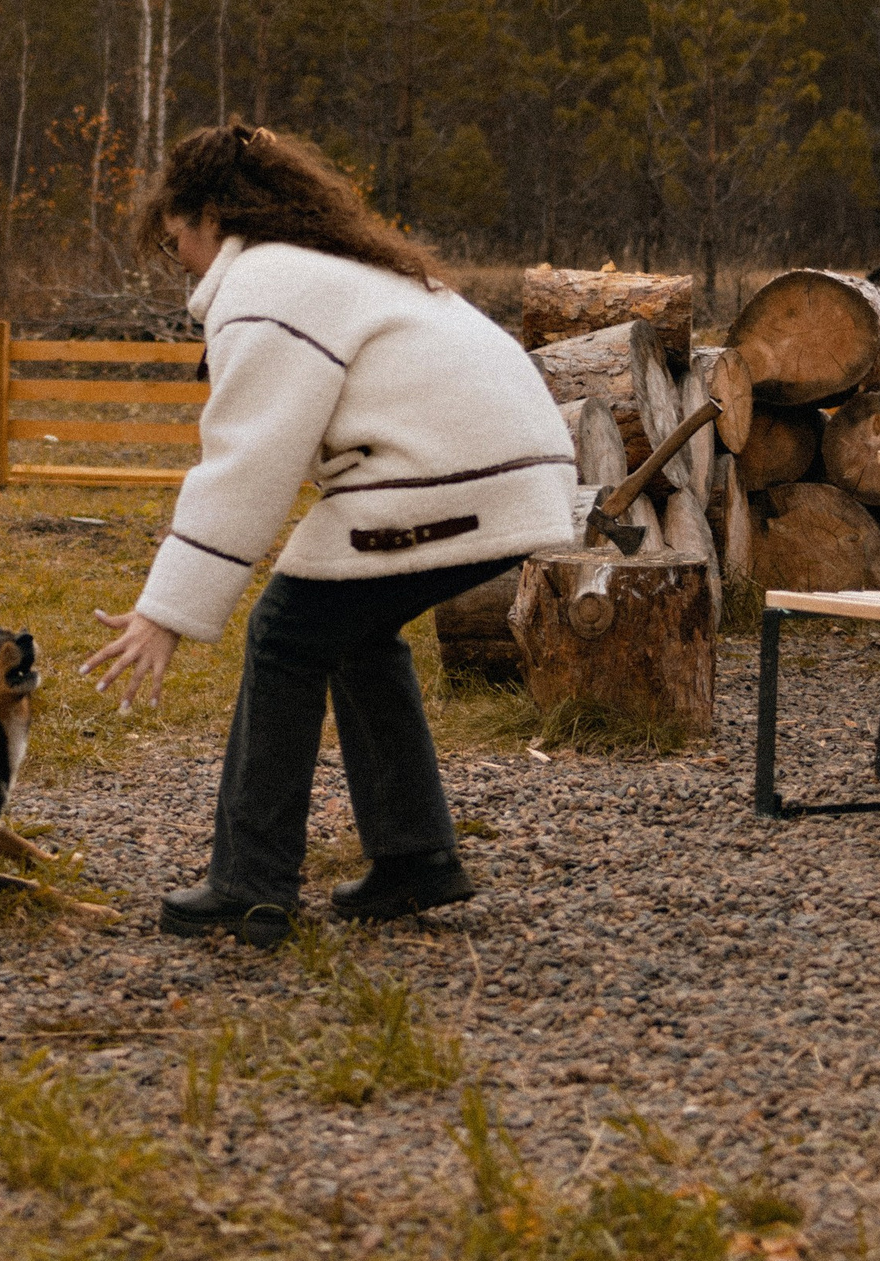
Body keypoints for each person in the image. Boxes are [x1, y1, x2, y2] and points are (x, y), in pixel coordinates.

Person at [80, 121, 577, 948]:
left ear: (209, 216)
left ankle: (250, 886)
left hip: (448, 478)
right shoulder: (330, 268)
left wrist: (163, 612)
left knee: (287, 632)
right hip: (511, 474)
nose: (184, 263)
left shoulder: (268, 284)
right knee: (351, 629)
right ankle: (414, 861)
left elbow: (249, 460)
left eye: (177, 243)